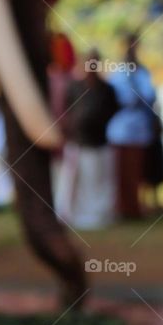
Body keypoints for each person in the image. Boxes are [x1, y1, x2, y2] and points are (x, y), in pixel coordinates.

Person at [56, 52, 119, 230]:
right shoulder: (74, 87)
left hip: (99, 143)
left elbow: (113, 110)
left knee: (99, 181)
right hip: (78, 143)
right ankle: (73, 216)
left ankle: (99, 216)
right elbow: (66, 111)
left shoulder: (107, 89)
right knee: (74, 181)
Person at [106, 35, 159, 220]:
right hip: (120, 128)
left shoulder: (143, 72)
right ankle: (122, 208)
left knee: (138, 170)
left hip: (139, 127)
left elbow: (150, 96)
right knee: (121, 173)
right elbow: (114, 96)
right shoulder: (118, 72)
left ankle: (136, 208)